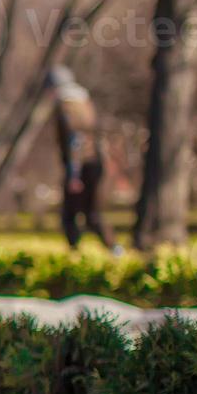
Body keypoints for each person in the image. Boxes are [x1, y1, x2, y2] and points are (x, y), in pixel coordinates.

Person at [46, 65, 120, 254]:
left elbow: (75, 141)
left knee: (70, 215)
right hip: (96, 163)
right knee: (92, 214)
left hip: (81, 167)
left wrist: (73, 174)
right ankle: (116, 251)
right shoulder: (85, 102)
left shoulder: (66, 106)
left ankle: (74, 256)